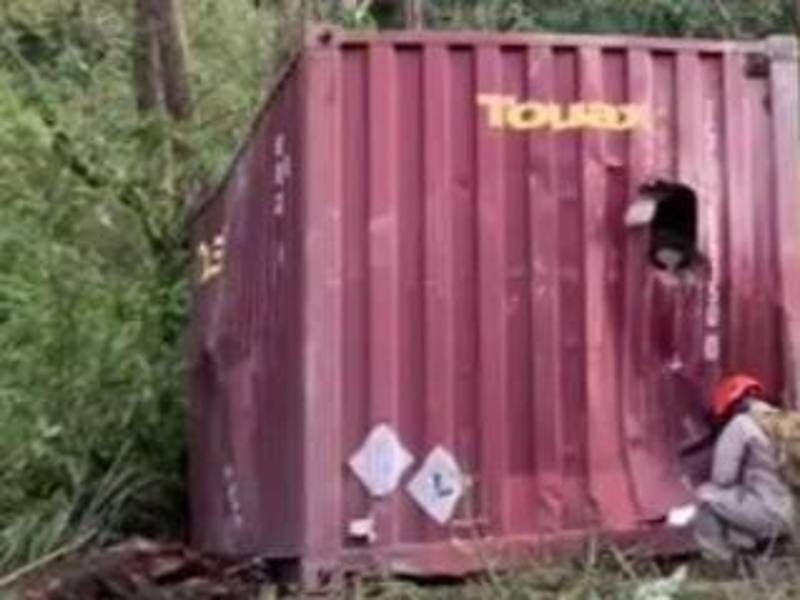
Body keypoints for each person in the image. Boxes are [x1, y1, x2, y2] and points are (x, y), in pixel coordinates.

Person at [692, 374, 794, 561]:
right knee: (746, 497)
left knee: (706, 496)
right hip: (795, 515)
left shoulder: (740, 425)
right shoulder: (786, 421)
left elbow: (722, 479)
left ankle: (721, 562)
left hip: (773, 516)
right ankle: (764, 551)